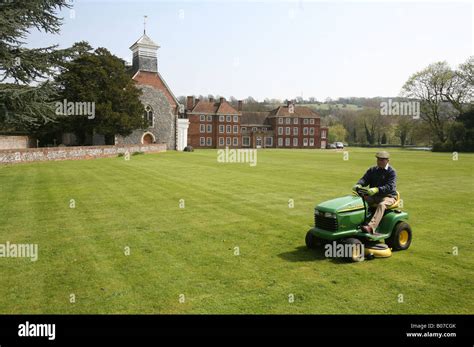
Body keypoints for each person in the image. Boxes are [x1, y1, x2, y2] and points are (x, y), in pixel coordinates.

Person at [352, 151, 397, 235]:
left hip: (388, 196)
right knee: (358, 201)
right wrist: (359, 184)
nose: (380, 161)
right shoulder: (372, 170)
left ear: (388, 161)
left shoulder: (391, 172)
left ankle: (371, 227)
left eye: (382, 160)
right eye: (378, 159)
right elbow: (365, 179)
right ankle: (356, 223)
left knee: (381, 205)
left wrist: (377, 189)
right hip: (373, 196)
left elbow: (390, 186)